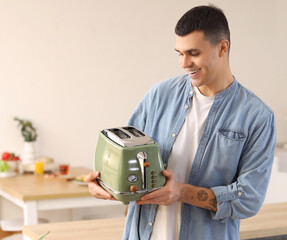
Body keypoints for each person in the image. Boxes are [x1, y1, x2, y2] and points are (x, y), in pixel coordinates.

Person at [86, 4, 276, 240]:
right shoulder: (159, 96)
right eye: (179, 53)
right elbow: (125, 157)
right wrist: (103, 183)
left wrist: (181, 193)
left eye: (194, 53)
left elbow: (249, 199)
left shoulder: (257, 116)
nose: (184, 63)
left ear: (222, 48)